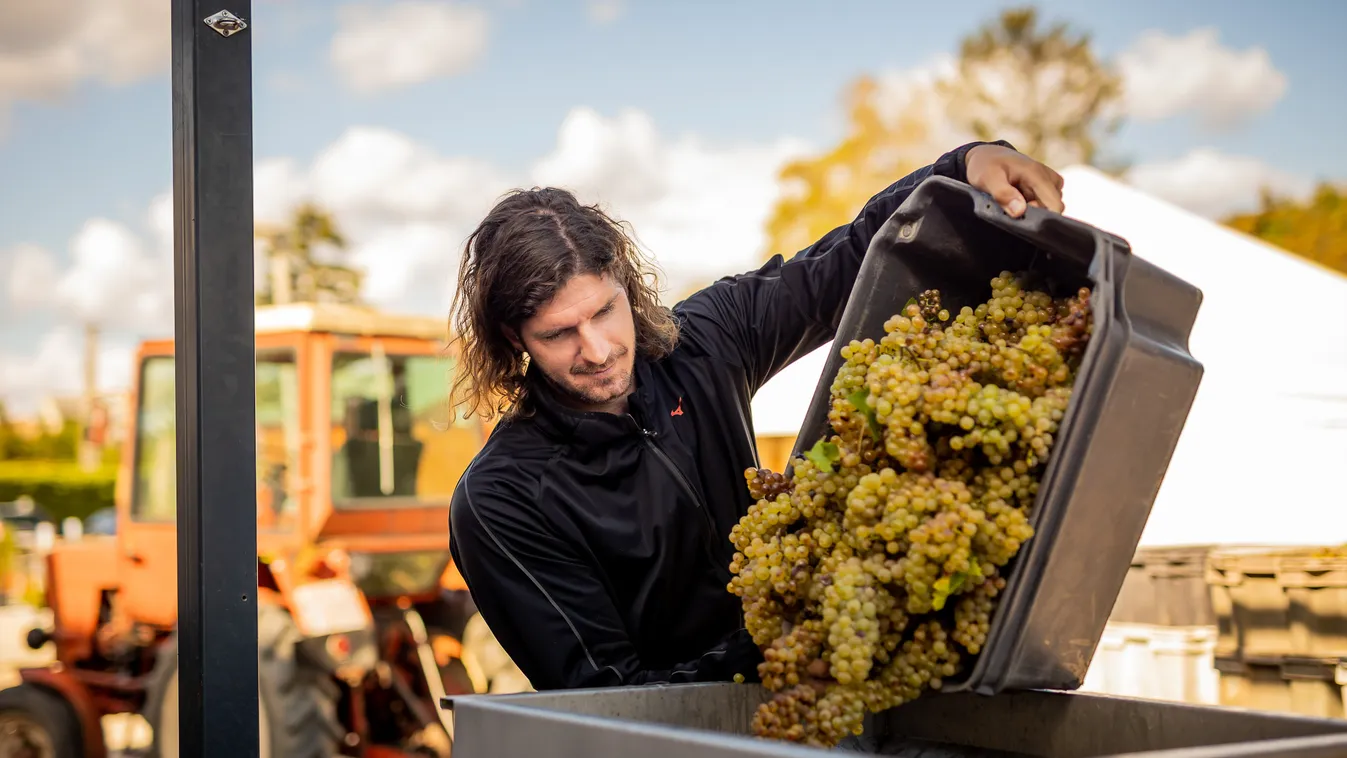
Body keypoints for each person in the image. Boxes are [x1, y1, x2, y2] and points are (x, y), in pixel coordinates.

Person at [445, 140, 1066, 692]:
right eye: (560, 334)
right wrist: (775, 652)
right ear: (514, 337)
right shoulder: (501, 500)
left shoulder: (706, 341)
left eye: (605, 312)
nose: (599, 350)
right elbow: (609, 696)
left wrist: (961, 165)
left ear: (625, 286)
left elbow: (847, 259)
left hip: (827, 694)